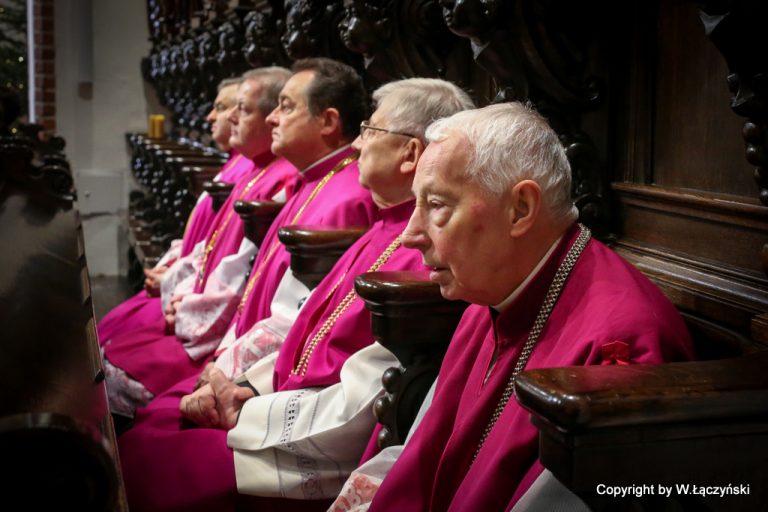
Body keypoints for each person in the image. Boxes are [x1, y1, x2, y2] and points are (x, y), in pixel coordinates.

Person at [117, 78, 475, 512]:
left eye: (369, 130)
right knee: (152, 426)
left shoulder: (422, 257)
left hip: (314, 442)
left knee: (150, 460)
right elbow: (304, 331)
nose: (357, 145)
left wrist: (244, 407)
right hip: (283, 405)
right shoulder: (384, 225)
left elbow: (371, 398)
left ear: (410, 153)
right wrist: (244, 386)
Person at [331, 102, 696, 511]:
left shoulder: (620, 348)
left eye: (436, 205)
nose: (410, 235)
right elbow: (424, 455)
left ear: (520, 209)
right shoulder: (489, 293)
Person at [104, 58, 379, 416]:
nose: (272, 118)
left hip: (263, 377)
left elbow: (302, 320)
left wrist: (230, 372)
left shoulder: (346, 199)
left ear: (328, 121)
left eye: (285, 107)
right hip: (237, 343)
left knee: (141, 410)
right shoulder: (311, 179)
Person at [102, 67, 297, 417]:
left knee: (116, 376)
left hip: (219, 330)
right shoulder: (254, 168)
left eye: (240, 108)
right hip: (198, 301)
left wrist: (182, 300)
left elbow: (246, 274)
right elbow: (208, 243)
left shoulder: (281, 176)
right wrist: (175, 280)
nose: (223, 117)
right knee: (107, 339)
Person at [97, 77, 250, 343]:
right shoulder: (235, 165)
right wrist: (170, 269)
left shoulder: (247, 171)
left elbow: (230, 260)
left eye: (223, 107)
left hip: (194, 296)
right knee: (109, 327)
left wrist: (172, 280)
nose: (211, 117)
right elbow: (205, 242)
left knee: (116, 340)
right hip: (187, 284)